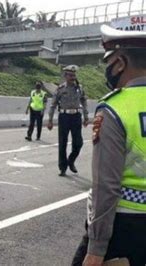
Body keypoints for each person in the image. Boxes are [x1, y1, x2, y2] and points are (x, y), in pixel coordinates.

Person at [72, 23, 146, 266]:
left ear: (121, 63)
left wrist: (96, 248)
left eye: (109, 62)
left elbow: (107, 187)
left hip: (124, 226)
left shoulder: (114, 108)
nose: (108, 70)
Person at [47, 65, 89, 176]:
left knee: (78, 143)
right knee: (63, 143)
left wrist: (86, 116)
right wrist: (50, 120)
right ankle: (63, 167)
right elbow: (53, 105)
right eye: (70, 75)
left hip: (76, 117)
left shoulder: (79, 88)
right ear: (65, 76)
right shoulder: (60, 89)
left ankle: (71, 160)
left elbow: (84, 101)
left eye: (74, 75)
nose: (72, 77)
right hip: (64, 117)